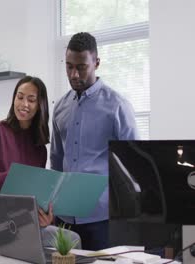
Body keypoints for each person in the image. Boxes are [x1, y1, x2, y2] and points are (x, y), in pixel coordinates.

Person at [0, 76, 81, 248]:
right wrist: (15, 176)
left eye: (31, 100)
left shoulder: (39, 147)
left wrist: (47, 216)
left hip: (21, 224)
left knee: (72, 240)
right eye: (19, 97)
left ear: (40, 105)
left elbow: (33, 195)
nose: (23, 104)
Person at [50, 32, 139, 250]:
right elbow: (56, 161)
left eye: (81, 67)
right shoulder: (60, 107)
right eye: (69, 66)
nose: (74, 74)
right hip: (64, 216)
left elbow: (133, 164)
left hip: (102, 217)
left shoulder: (118, 106)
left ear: (96, 63)